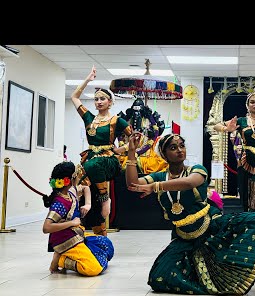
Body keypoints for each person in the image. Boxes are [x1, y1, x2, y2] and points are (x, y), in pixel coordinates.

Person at [125, 132, 255, 296]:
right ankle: (201, 273)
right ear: (164, 154)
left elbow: (189, 183)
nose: (179, 150)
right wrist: (131, 153)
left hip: (212, 227)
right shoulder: (160, 177)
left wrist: (155, 187)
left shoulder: (196, 169)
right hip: (184, 237)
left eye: (181, 145)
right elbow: (133, 184)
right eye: (173, 148)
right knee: (158, 278)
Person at [70, 65, 133, 235]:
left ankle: (106, 200)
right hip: (91, 157)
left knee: (93, 165)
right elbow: (74, 97)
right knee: (77, 182)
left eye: (102, 99)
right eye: (96, 99)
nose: (98, 102)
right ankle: (93, 233)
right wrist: (88, 79)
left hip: (108, 160)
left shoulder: (116, 120)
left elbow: (137, 139)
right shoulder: (89, 118)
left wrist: (121, 150)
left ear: (110, 102)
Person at [42, 161, 114, 276]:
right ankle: (61, 260)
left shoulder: (71, 192)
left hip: (77, 236)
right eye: (77, 175)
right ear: (70, 179)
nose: (80, 177)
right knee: (94, 268)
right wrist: (72, 223)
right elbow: (46, 227)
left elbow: (85, 188)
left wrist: (88, 204)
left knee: (106, 245)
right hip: (66, 241)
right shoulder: (60, 203)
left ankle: (67, 255)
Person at [116, 98, 167, 174]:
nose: (137, 113)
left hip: (146, 155)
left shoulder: (149, 121)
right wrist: (125, 148)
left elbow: (154, 134)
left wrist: (139, 152)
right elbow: (120, 135)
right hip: (126, 153)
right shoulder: (127, 120)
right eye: (135, 109)